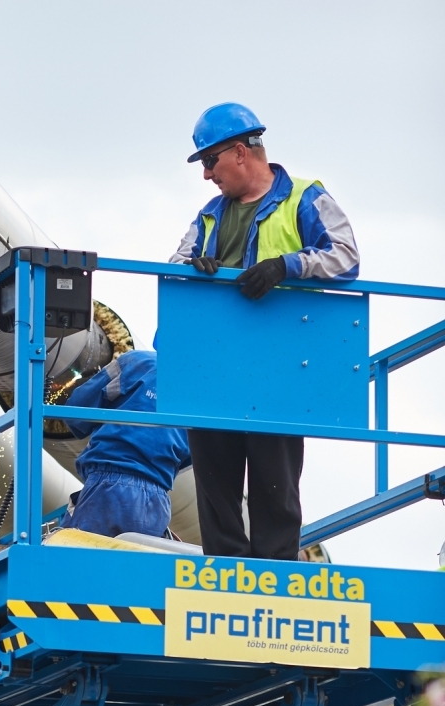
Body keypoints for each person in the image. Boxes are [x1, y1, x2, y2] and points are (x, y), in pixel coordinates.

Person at [171, 102, 360, 560]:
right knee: (215, 488)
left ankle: (276, 578)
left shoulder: (304, 198)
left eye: (210, 161)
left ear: (240, 151)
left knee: (275, 487)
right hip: (216, 368)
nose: (206, 175)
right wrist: (192, 269)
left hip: (278, 369)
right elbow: (173, 268)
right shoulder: (209, 215)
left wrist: (286, 266)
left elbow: (346, 256)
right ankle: (223, 575)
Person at [59, 349, 191, 539]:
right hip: (157, 500)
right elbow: (192, 457)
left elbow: (77, 409)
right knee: (137, 558)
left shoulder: (136, 361)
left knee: (78, 551)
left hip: (107, 485)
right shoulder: (203, 394)